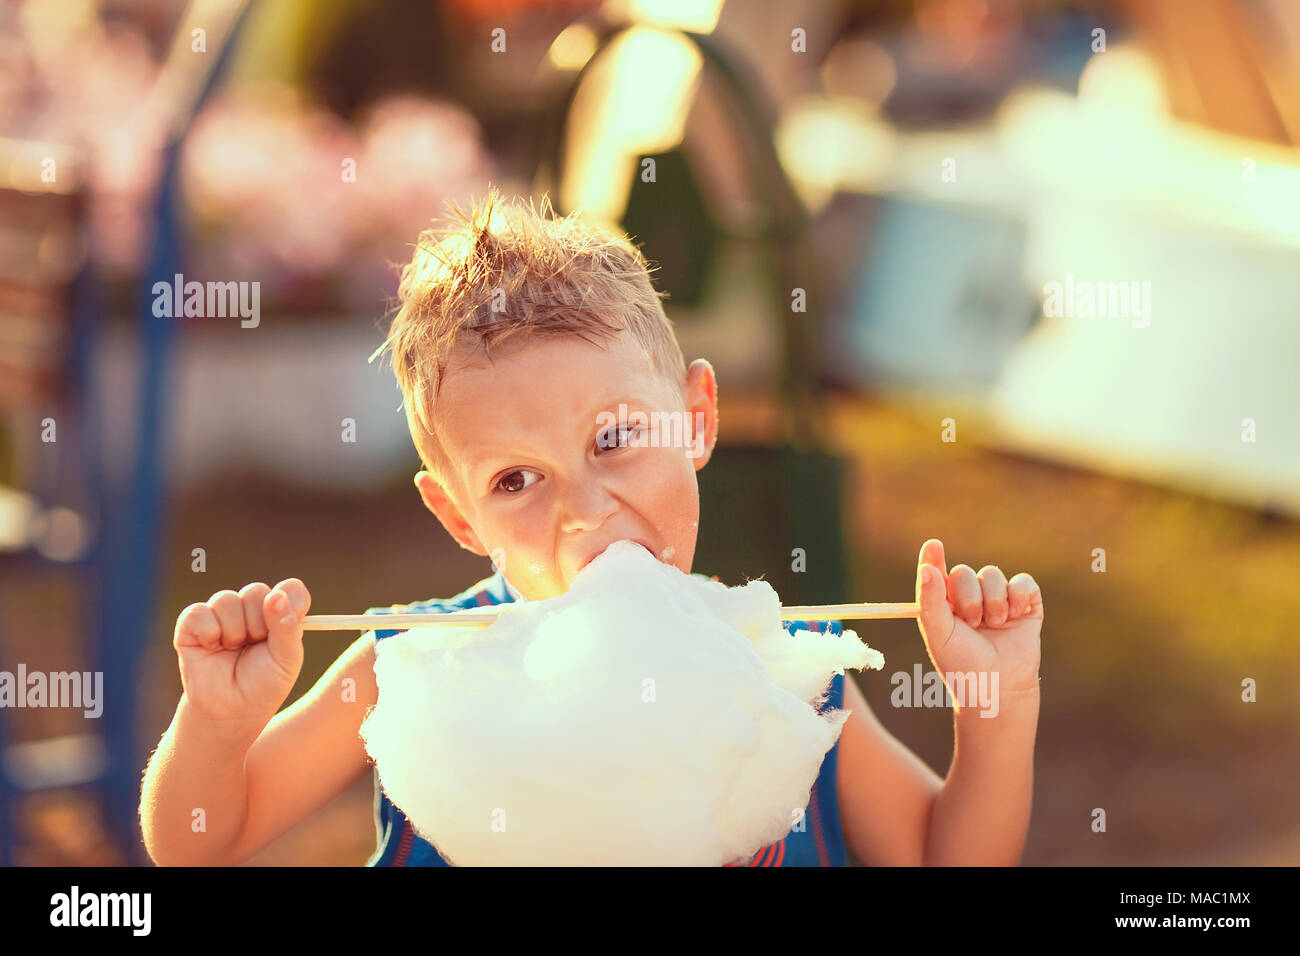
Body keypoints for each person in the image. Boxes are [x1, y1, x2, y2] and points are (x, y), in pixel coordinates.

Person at [139, 188, 1044, 866]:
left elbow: (944, 856)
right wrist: (218, 726)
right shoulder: (409, 665)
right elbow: (195, 843)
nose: (584, 509)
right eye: (516, 479)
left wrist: (995, 711)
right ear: (458, 513)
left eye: (615, 438)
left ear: (695, 418)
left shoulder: (792, 673)